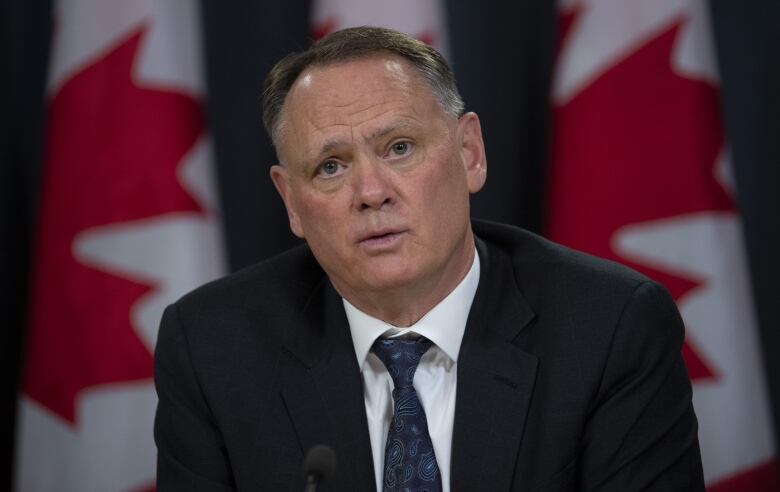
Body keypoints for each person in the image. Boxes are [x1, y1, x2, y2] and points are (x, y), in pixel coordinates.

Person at [154, 26, 704, 491]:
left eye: (399, 148)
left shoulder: (609, 328)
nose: (371, 192)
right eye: (330, 167)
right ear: (292, 203)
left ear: (469, 153)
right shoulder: (213, 347)